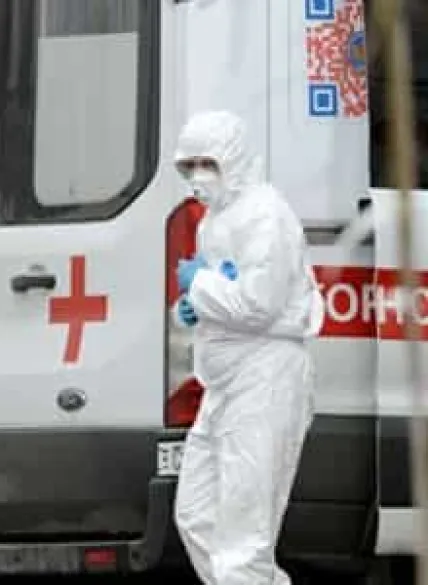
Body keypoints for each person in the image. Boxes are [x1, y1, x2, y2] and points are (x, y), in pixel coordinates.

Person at [170, 111, 325, 585]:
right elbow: (225, 295)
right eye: (190, 164)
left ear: (233, 159)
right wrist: (191, 307)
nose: (199, 175)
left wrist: (200, 286)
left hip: (265, 378)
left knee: (243, 539)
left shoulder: (265, 215)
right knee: (196, 516)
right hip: (224, 384)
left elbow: (258, 305)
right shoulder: (214, 222)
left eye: (209, 163)